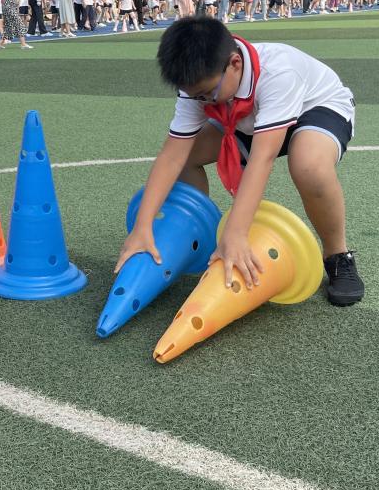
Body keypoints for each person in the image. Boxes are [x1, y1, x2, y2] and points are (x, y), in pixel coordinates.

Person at [114, 17, 364, 307]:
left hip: (317, 107)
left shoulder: (279, 71)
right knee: (188, 156)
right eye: (197, 97)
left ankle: (337, 256)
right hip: (250, 120)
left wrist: (236, 233)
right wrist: (142, 226)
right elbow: (172, 156)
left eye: (207, 94)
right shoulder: (199, 86)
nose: (202, 100)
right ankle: (195, 235)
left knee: (308, 165)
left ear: (235, 64)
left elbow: (262, 158)